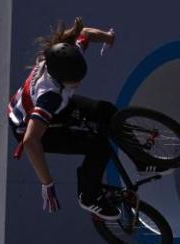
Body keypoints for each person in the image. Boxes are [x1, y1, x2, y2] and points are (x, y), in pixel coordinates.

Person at [7, 18, 120, 220]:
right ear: (60, 78)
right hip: (32, 130)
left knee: (107, 111)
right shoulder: (49, 97)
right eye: (73, 81)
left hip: (53, 106)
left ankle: (144, 159)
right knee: (99, 146)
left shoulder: (67, 56)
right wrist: (47, 183)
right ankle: (89, 196)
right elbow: (31, 142)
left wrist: (108, 37)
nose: (78, 83)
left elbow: (85, 33)